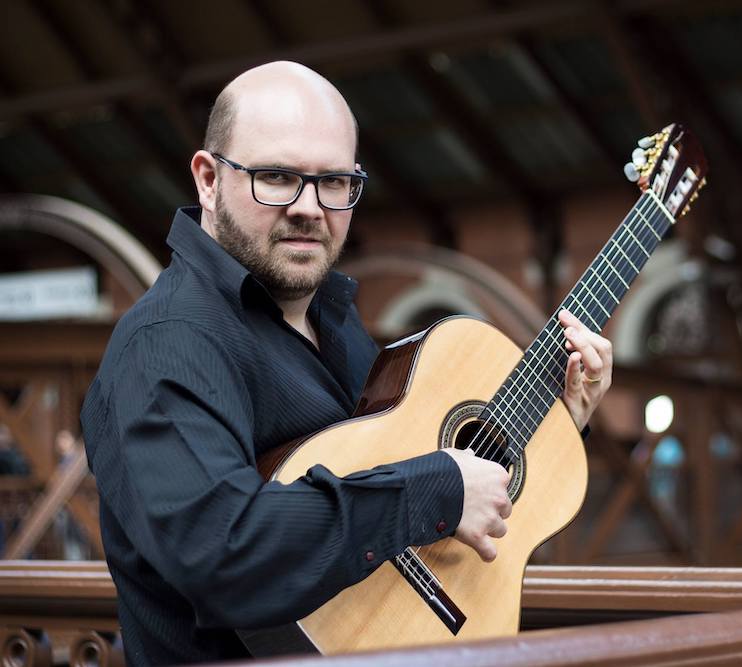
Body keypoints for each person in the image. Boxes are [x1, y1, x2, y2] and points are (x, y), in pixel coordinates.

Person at [80, 61, 613, 665]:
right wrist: (430, 491)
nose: (310, 207)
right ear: (207, 180)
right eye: (277, 176)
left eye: (334, 182)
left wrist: (556, 417)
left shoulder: (337, 328)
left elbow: (450, 486)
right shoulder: (167, 342)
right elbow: (222, 550)